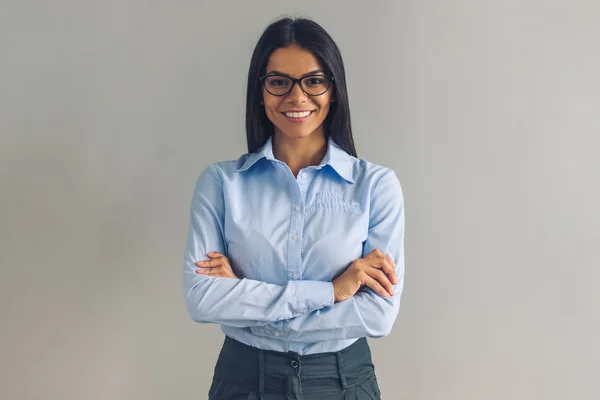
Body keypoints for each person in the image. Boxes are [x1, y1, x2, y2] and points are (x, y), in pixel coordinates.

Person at [182, 16, 405, 400]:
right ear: (261, 91)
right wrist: (330, 292)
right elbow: (202, 299)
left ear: (333, 89)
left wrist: (244, 296)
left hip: (340, 382)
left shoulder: (376, 187)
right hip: (244, 381)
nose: (297, 97)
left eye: (314, 81)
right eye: (279, 82)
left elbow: (377, 316)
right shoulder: (220, 184)